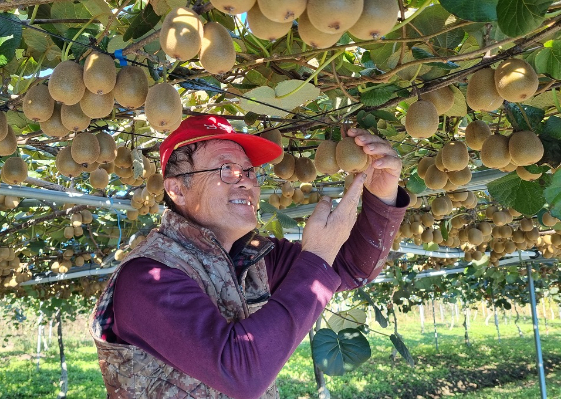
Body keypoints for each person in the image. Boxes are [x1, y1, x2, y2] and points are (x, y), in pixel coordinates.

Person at [90, 115, 408, 399]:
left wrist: (382, 190)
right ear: (177, 190)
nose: (245, 180)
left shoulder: (255, 256)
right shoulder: (148, 276)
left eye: (249, 171)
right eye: (226, 169)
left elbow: (350, 269)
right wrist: (318, 255)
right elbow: (241, 375)